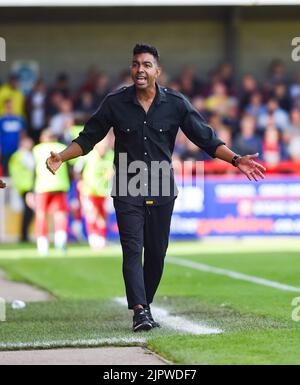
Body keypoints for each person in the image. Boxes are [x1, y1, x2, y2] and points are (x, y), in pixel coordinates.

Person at [46, 44, 266, 332]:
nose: (140, 69)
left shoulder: (175, 103)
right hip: (127, 187)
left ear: (156, 71)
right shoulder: (115, 103)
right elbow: (88, 138)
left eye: (147, 65)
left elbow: (206, 139)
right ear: (131, 69)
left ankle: (145, 304)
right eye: (136, 64)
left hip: (162, 187)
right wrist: (61, 156)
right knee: (132, 251)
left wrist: (236, 159)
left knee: (157, 254)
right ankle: (139, 311)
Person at [34, 129, 70, 256]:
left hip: (42, 187)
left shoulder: (37, 149)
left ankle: (42, 245)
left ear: (43, 138)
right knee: (60, 215)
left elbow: (29, 167)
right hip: (60, 185)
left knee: (41, 215)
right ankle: (61, 243)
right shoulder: (62, 147)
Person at [77, 136, 114, 250]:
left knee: (103, 216)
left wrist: (113, 173)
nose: (103, 148)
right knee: (92, 215)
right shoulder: (88, 155)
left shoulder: (111, 155)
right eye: (102, 145)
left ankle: (101, 238)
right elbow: (77, 169)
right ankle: (93, 238)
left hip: (104, 192)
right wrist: (80, 181)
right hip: (89, 191)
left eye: (105, 145)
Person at [8, 136, 35, 242]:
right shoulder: (23, 154)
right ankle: (24, 235)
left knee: (28, 211)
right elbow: (32, 166)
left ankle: (24, 235)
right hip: (26, 186)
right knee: (29, 211)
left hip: (21, 186)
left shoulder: (16, 155)